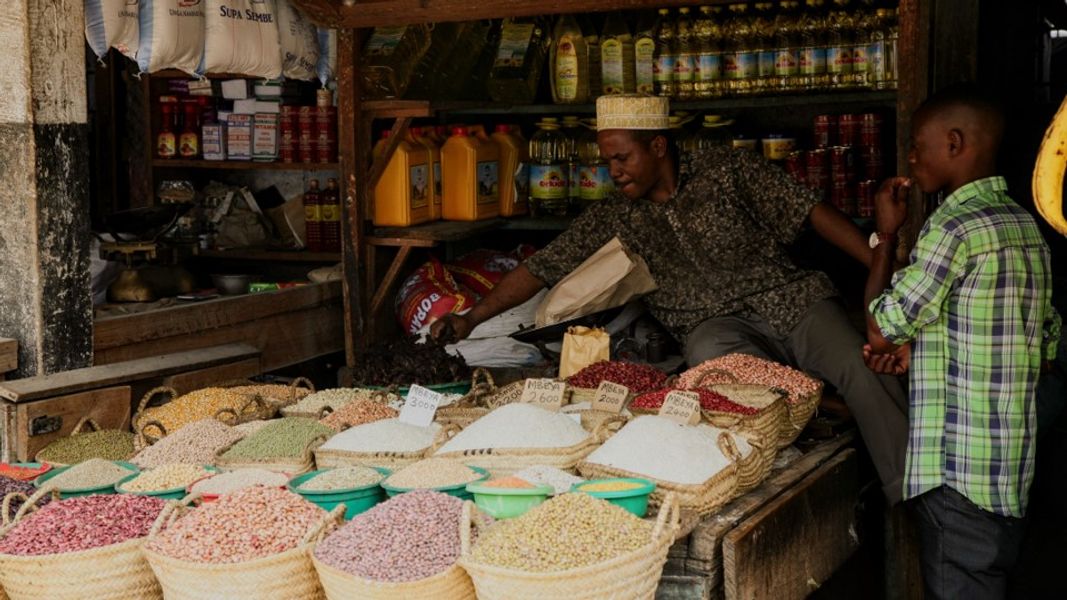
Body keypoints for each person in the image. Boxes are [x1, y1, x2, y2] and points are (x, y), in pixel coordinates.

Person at [431, 94, 909, 503]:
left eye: (622, 158)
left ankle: (908, 494)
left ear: (657, 146)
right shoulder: (616, 216)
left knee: (860, 365)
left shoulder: (729, 171)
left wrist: (884, 266)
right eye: (607, 161)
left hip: (791, 300)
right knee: (721, 378)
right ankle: (810, 433)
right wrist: (472, 318)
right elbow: (541, 267)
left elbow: (814, 213)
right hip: (713, 326)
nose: (612, 171)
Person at [863, 84, 1061, 599]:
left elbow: (881, 328)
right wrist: (922, 354)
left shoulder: (952, 226)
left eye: (916, 144)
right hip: (1007, 470)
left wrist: (886, 237)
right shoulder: (1025, 226)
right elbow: (1034, 341)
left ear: (954, 143)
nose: (910, 157)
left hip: (958, 472)